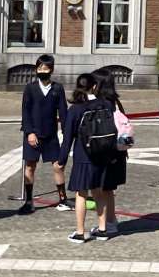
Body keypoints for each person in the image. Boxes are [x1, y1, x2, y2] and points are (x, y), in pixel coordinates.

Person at [55, 75, 114, 244]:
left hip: (83, 155)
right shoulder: (106, 104)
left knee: (81, 194)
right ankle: (102, 229)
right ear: (94, 86)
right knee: (99, 192)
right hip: (102, 154)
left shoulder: (76, 109)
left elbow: (68, 137)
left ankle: (80, 232)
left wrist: (61, 160)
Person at [19, 54, 72, 215]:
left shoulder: (57, 88)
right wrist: (29, 132)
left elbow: (63, 112)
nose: (42, 71)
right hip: (33, 134)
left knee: (58, 166)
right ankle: (29, 201)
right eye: (39, 68)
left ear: (51, 70)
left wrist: (67, 132)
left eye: (45, 68)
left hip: (50, 134)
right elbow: (25, 111)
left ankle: (62, 199)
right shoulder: (30, 88)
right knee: (30, 166)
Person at [93, 69, 128, 235]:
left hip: (106, 151)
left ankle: (108, 223)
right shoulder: (115, 102)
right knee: (107, 189)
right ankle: (110, 221)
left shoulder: (102, 104)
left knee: (102, 189)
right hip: (117, 151)